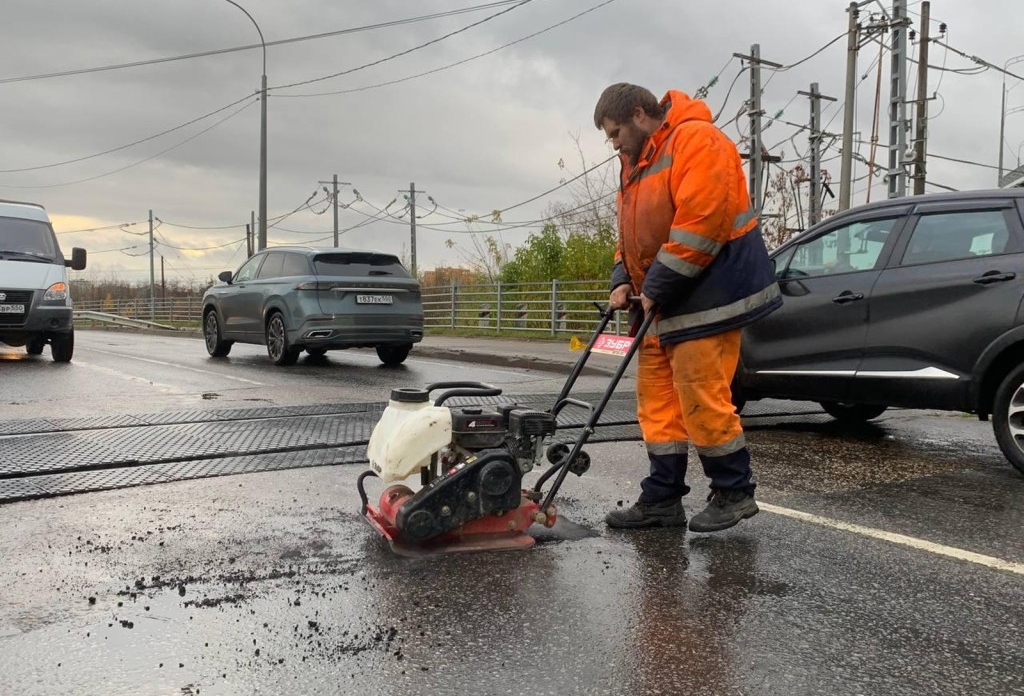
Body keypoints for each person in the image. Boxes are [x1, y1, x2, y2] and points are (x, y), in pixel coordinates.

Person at [594, 83, 782, 533]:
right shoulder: (633, 165)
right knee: (656, 405)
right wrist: (623, 280)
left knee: (702, 396)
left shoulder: (699, 141)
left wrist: (657, 284)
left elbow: (702, 224)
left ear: (640, 114)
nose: (613, 143)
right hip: (661, 303)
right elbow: (632, 237)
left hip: (707, 298)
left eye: (616, 132)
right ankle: (662, 498)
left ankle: (734, 491)